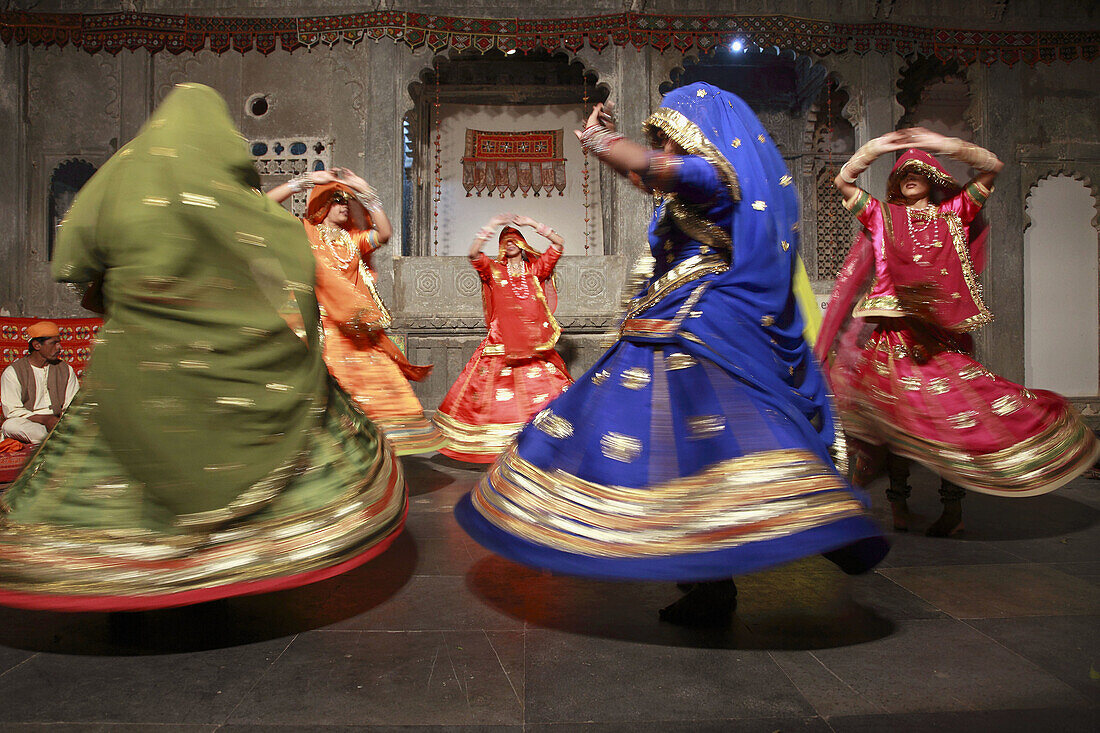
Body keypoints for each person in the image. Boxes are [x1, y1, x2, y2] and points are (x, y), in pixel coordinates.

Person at [455, 82, 889, 627]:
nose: (665, 147)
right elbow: (644, 173)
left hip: (703, 325)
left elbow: (656, 168)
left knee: (713, 442)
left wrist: (598, 139)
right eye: (660, 139)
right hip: (667, 318)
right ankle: (706, 579)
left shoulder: (714, 177)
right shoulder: (683, 189)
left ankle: (789, 532)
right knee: (675, 448)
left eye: (671, 137)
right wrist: (615, 151)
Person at [0, 84, 406, 612]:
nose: (334, 212)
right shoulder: (228, 201)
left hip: (137, 361)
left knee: (110, 447)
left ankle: (118, 565)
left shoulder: (121, 177)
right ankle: (232, 555)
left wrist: (127, 297)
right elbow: (273, 236)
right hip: (228, 351)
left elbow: (76, 261)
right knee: (298, 427)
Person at [820, 128, 1099, 536]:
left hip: (937, 342)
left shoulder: (953, 214)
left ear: (932, 178)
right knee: (894, 425)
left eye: (917, 171)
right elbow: (844, 182)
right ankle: (898, 505)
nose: (909, 176)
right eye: (901, 174)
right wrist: (876, 149)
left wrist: (943, 145)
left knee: (950, 425)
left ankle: (952, 511)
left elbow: (993, 168)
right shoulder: (882, 215)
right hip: (892, 342)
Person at [266, 169, 445, 455]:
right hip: (325, 330)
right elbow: (265, 205)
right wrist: (305, 181)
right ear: (322, 205)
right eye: (337, 200)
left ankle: (371, 452)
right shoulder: (304, 232)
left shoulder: (354, 240)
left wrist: (366, 192)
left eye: (347, 201)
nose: (344, 205)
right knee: (335, 393)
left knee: (384, 387)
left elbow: (384, 233)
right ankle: (334, 453)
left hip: (359, 332)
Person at [433, 214, 573, 463]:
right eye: (504, 240)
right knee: (491, 397)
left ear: (522, 243)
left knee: (541, 392)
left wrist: (533, 224)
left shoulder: (535, 269)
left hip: (532, 345)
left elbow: (559, 244)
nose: (508, 242)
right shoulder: (494, 270)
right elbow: (474, 254)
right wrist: (489, 228)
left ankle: (539, 441)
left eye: (513, 238)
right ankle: (494, 444)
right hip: (500, 343)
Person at [1, 321, 79, 445]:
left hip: (59, 422)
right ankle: (54, 441)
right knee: (10, 425)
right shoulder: (13, 372)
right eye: (54, 343)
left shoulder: (65, 369)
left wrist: (60, 422)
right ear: (37, 345)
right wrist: (44, 419)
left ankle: (53, 440)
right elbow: (12, 411)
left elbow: (72, 405)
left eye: (59, 343)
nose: (59, 347)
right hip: (30, 422)